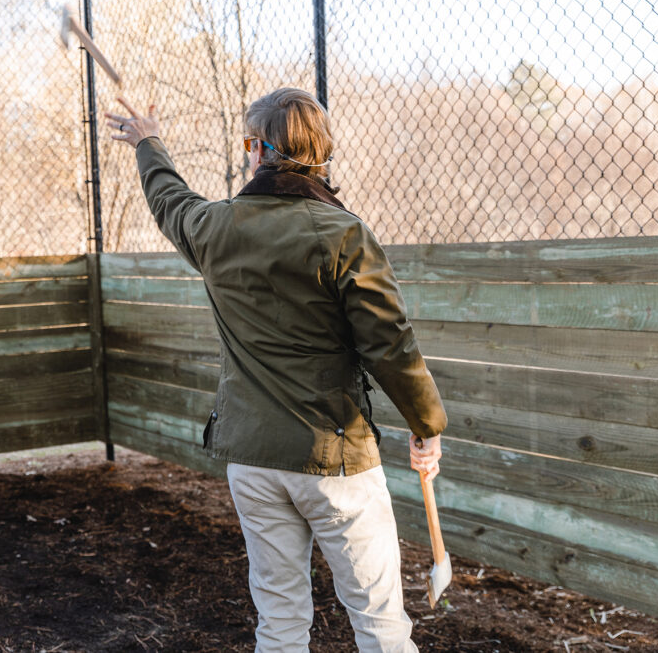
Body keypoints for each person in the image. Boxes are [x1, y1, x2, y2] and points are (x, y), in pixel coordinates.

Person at [106, 88, 447, 652]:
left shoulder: (215, 228)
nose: (246, 155)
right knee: (379, 620)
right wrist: (426, 424)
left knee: (281, 618)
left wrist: (149, 144)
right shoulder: (344, 235)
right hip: (335, 462)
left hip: (254, 461)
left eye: (248, 144)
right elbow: (389, 345)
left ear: (261, 151)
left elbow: (169, 199)